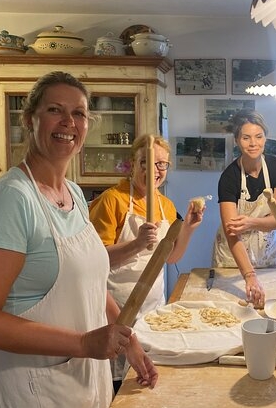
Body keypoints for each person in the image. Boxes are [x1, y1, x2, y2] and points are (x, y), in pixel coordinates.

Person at [0, 71, 158, 408]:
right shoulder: (12, 198)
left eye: (78, 113)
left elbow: (90, 281)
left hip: (81, 379)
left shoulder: (74, 194)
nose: (68, 122)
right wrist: (84, 343)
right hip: (29, 384)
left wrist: (127, 336)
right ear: (29, 119)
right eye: (55, 110)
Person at [88, 134, 204, 385]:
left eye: (162, 164)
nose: (155, 170)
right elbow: (92, 262)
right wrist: (137, 244)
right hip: (115, 309)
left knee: (145, 380)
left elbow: (171, 257)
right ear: (132, 164)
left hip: (153, 311)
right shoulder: (112, 200)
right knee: (117, 383)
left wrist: (189, 228)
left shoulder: (166, 205)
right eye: (147, 162)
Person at [211, 109, 276, 308]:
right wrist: (249, 275)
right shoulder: (229, 177)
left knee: (275, 306)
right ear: (237, 140)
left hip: (269, 250)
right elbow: (232, 232)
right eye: (246, 138)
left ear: (265, 137)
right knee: (233, 308)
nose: (253, 143)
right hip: (234, 256)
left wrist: (251, 222)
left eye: (258, 136)